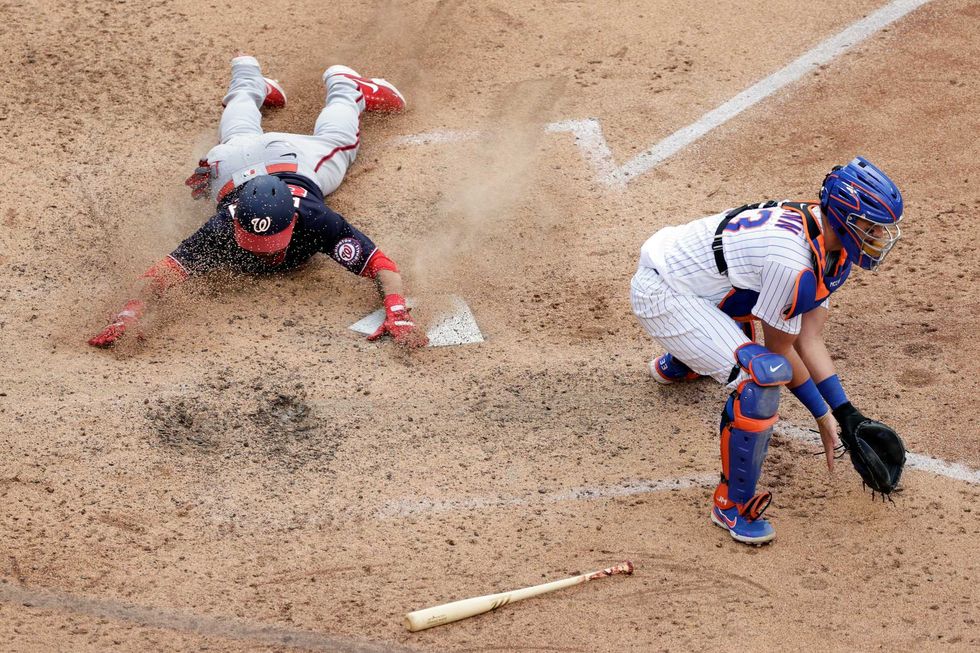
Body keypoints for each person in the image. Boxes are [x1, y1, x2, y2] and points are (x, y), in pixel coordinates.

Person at [630, 156, 905, 545]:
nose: (878, 236)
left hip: (697, 283)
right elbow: (783, 352)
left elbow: (810, 338)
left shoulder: (828, 245)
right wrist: (824, 417)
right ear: (845, 217)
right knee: (762, 376)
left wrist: (848, 413)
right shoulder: (792, 262)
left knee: (757, 312)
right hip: (662, 294)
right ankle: (731, 507)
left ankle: (688, 359)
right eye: (871, 226)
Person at [89, 55, 426, 348]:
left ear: (293, 220)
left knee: (309, 141)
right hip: (236, 163)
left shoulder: (313, 216)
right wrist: (127, 314)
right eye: (256, 241)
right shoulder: (221, 228)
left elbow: (382, 266)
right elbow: (160, 275)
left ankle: (284, 81)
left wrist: (397, 310)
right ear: (237, 221)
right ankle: (314, 85)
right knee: (300, 141)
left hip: (282, 158)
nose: (263, 250)